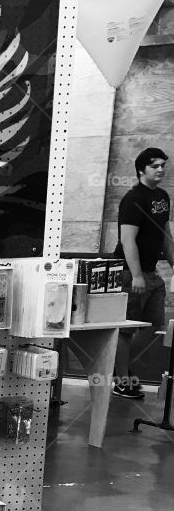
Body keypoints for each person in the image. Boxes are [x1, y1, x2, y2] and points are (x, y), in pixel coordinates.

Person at [112, 147, 173, 400]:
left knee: (153, 325)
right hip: (129, 273)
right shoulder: (133, 199)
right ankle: (121, 379)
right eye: (154, 166)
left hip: (151, 273)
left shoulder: (162, 196)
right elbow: (128, 240)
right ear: (141, 170)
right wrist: (136, 275)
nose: (160, 169)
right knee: (125, 330)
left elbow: (165, 235)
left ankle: (122, 368)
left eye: (162, 165)